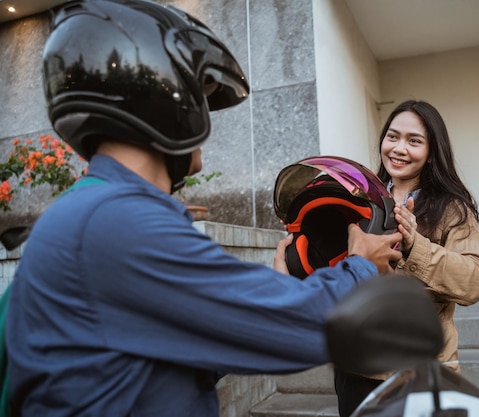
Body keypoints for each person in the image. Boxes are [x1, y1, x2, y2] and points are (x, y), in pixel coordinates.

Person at [5, 1, 402, 416]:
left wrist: (267, 296)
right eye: (200, 96)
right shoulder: (117, 222)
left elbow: (172, 356)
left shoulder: (99, 211)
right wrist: (361, 267)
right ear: (160, 97)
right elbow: (301, 330)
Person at [334, 99, 479, 417]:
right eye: (392, 137)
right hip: (357, 368)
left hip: (422, 370)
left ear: (432, 152)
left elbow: (476, 281)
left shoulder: (452, 208)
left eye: (414, 141)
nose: (399, 148)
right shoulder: (358, 201)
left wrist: (414, 246)